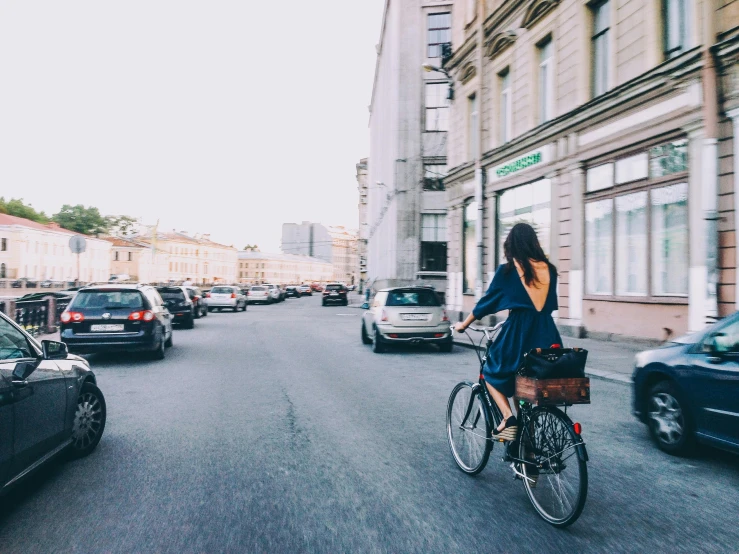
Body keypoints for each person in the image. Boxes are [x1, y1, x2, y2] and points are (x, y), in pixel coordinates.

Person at [455, 223, 561, 441]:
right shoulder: (550, 269)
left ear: (511, 244)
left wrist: (464, 324)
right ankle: (528, 456)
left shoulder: (508, 271)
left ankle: (507, 418)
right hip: (548, 332)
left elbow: (486, 302)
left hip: (519, 331)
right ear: (534, 243)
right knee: (526, 388)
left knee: (491, 373)